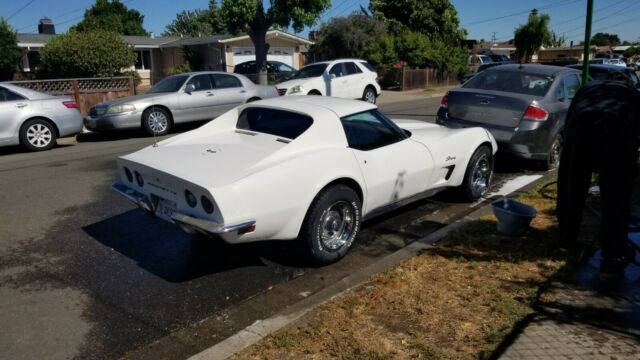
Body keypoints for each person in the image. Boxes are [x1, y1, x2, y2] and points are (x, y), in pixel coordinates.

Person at [556, 80, 640, 274]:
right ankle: (614, 250)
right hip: (617, 133)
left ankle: (566, 238)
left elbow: (569, 120)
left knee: (572, 186)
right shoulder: (633, 95)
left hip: (581, 129)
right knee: (616, 195)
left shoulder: (587, 89)